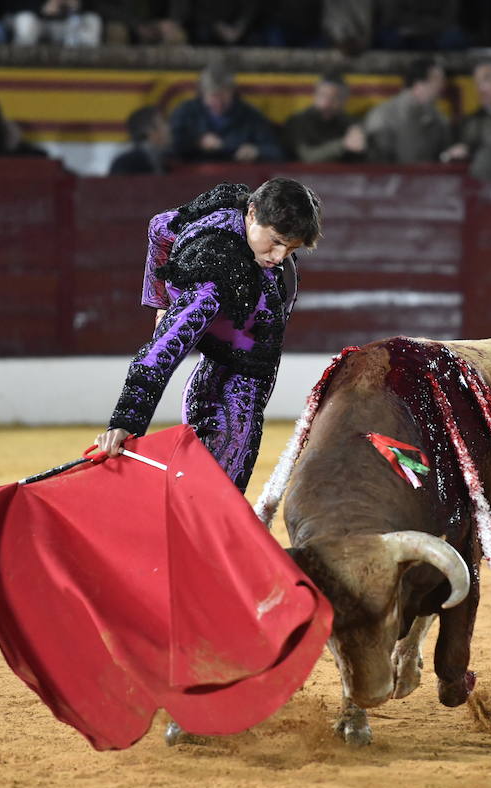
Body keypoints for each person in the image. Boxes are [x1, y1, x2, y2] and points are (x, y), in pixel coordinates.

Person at [93, 178, 322, 494]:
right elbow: (161, 351)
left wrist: (160, 303)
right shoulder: (215, 275)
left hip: (219, 372)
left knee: (202, 492)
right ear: (252, 213)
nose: (280, 256)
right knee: (218, 498)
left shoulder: (226, 213)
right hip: (236, 389)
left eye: (291, 248)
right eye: (277, 241)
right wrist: (126, 421)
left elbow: (160, 227)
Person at [169, 63, 284, 163]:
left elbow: (276, 151)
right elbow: (169, 147)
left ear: (232, 92)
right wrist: (197, 142)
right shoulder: (185, 113)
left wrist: (257, 151)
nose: (218, 103)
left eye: (223, 97)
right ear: (202, 94)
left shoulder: (250, 116)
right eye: (214, 97)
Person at [363, 55, 451, 164]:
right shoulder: (383, 115)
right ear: (419, 83)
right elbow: (376, 161)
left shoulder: (438, 117)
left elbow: (440, 155)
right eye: (438, 80)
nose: (442, 86)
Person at [282, 71, 366, 163]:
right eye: (323, 95)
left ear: (344, 100)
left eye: (335, 98)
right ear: (315, 95)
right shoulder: (298, 122)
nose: (327, 103)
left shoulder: (349, 123)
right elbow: (307, 157)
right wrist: (343, 144)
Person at [108, 104, 172, 174]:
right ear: (149, 131)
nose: (169, 128)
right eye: (163, 123)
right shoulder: (127, 164)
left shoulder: (168, 162)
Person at [9, 0, 102, 46]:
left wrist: (78, 4)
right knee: (25, 20)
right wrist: (43, 7)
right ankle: (24, 66)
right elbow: (13, 6)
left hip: (70, 22)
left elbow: (96, 7)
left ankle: (84, 70)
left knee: (92, 20)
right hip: (41, 22)